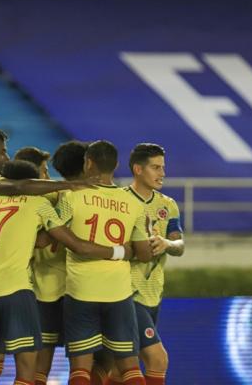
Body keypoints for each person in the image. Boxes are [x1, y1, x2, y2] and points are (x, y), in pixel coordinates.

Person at [0, 160, 133, 385]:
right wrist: (119, 251)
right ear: (32, 183)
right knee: (27, 371)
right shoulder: (37, 204)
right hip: (16, 291)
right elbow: (76, 245)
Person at [55, 140, 153, 385]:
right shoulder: (134, 203)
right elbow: (143, 253)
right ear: (117, 164)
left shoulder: (71, 197)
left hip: (81, 290)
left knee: (80, 369)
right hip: (118, 292)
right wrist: (124, 251)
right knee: (130, 366)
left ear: (88, 163)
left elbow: (50, 237)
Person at [105, 143, 185, 385]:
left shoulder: (167, 205)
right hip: (127, 293)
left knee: (119, 370)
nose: (162, 173)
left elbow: (179, 245)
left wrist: (166, 244)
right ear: (138, 169)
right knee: (157, 359)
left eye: (163, 167)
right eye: (155, 167)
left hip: (152, 294)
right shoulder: (118, 201)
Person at [31, 141, 88, 385]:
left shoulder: (41, 198)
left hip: (43, 289)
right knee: (85, 364)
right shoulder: (85, 199)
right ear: (88, 164)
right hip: (79, 289)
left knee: (38, 369)